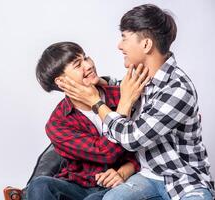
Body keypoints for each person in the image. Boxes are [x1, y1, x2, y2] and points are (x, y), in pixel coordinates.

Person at [57, 4, 214, 200]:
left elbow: (132, 138)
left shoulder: (177, 89)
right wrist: (98, 82)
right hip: (147, 177)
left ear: (146, 45)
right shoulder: (141, 77)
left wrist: (97, 103)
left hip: (184, 181)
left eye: (124, 38)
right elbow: (119, 85)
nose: (119, 45)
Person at [27, 41, 140, 200]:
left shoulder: (121, 94)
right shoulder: (58, 123)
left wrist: (127, 170)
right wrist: (123, 108)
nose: (88, 65)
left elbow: (147, 142)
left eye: (86, 58)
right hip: (79, 186)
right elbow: (105, 153)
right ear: (61, 82)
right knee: (40, 186)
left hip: (122, 183)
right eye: (78, 64)